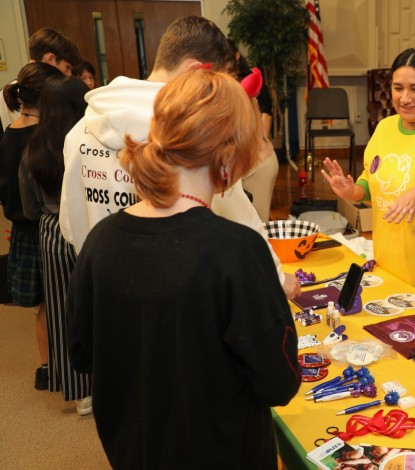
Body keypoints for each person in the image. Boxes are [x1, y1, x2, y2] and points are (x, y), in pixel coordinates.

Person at [66, 69, 301, 470]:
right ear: (227, 158)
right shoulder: (238, 251)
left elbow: (83, 353)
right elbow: (278, 382)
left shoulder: (101, 241)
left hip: (133, 451)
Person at [59, 16, 301, 299]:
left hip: (104, 291)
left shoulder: (79, 131)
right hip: (179, 296)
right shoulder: (195, 134)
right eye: (215, 83)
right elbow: (242, 222)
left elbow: (70, 226)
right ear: (195, 71)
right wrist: (279, 279)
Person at [321, 48, 415, 308]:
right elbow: (371, 181)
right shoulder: (384, 128)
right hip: (387, 272)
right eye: (398, 88)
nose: (405, 98)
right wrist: (351, 190)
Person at [19, 74, 92, 415]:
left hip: (50, 232)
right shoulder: (87, 145)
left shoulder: (32, 149)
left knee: (62, 313)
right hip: (88, 227)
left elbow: (29, 207)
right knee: (96, 304)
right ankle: (107, 378)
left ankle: (81, 394)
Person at [0, 62, 62, 390]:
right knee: (56, 303)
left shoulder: (10, 130)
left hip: (21, 230)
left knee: (42, 307)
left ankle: (46, 367)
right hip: (43, 226)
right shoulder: (42, 137)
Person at [228, 40, 279, 223]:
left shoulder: (239, 85)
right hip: (257, 161)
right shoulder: (231, 85)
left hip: (257, 165)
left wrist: (256, 148)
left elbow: (266, 113)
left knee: (256, 227)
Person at [1, 27, 81, 129]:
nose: (69, 74)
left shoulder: (9, 89)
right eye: (67, 67)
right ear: (51, 59)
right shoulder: (35, 92)